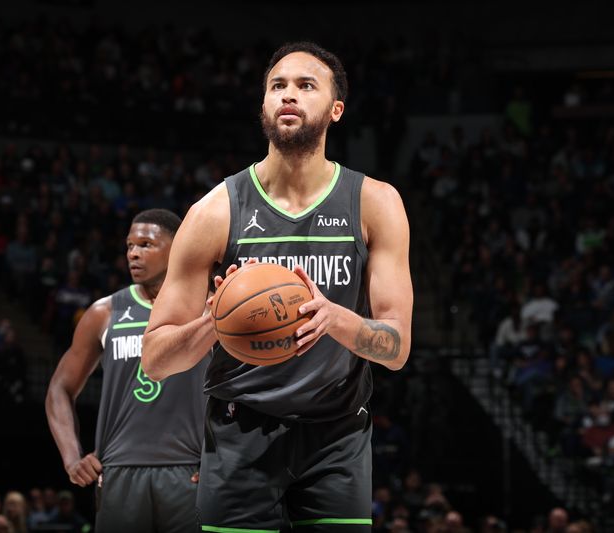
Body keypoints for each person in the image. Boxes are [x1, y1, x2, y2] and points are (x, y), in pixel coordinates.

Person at [142, 42, 413, 531]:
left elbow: (396, 349)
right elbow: (156, 359)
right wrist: (214, 322)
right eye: (277, 86)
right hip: (239, 432)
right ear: (263, 106)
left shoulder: (375, 203)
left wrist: (337, 318)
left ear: (336, 110)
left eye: (306, 85)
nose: (288, 95)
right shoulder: (215, 211)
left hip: (337, 434)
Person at [46, 209, 207, 532]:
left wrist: (223, 459)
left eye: (146, 244)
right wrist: (72, 457)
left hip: (191, 470)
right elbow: (58, 389)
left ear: (177, 248)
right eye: (129, 245)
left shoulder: (209, 310)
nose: (133, 253)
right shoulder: (104, 313)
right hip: (119, 470)